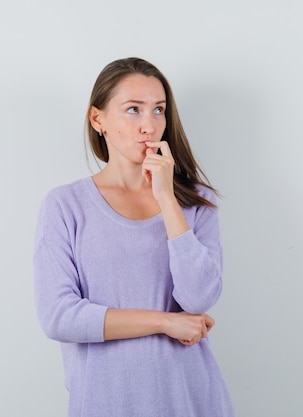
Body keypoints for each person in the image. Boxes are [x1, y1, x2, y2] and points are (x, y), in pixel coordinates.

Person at [33, 57, 235, 417]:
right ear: (98, 120)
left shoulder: (196, 203)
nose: (149, 125)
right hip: (105, 401)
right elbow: (59, 317)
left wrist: (167, 199)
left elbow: (199, 297)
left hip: (191, 400)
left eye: (159, 110)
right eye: (133, 110)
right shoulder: (65, 205)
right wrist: (164, 321)